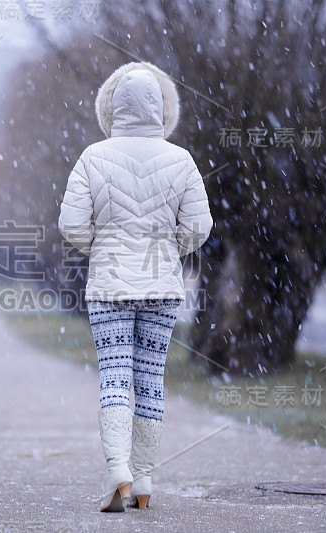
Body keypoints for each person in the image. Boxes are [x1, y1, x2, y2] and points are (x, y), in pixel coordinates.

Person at [58, 62, 213, 512]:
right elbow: (200, 226)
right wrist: (168, 248)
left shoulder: (93, 156)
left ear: (112, 106)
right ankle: (143, 479)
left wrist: (103, 246)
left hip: (109, 288)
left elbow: (70, 224)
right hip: (162, 288)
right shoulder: (181, 159)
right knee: (149, 379)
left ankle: (117, 471)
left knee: (114, 376)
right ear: (162, 108)